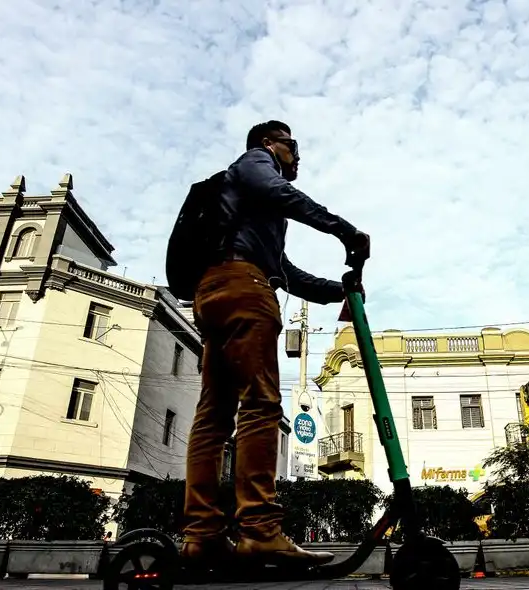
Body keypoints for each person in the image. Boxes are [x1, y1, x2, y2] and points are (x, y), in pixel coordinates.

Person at [181, 120, 369, 569]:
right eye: (293, 145)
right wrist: (344, 230)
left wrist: (336, 291)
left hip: (215, 292)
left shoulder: (246, 213)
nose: (297, 155)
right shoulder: (255, 164)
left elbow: (285, 271)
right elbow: (285, 196)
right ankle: (260, 530)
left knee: (213, 416)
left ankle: (202, 535)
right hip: (245, 291)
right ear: (270, 144)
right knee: (262, 404)